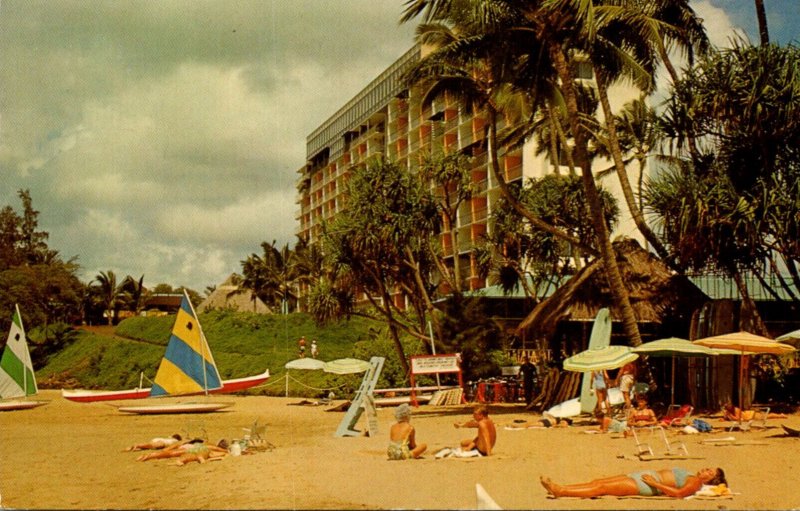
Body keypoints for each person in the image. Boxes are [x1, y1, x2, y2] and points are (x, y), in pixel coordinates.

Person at [540, 467, 727, 498]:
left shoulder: (695, 483)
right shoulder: (690, 474)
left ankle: (561, 491)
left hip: (646, 485)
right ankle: (561, 487)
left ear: (712, 480)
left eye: (709, 472)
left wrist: (655, 484)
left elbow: (678, 494)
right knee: (597, 481)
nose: (705, 469)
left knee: (602, 488)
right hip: (643, 478)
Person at [722, 403, 787, 422]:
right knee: (767, 416)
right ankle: (780, 415)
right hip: (750, 416)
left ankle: (781, 415)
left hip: (751, 415)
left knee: (768, 416)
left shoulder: (736, 410)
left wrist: (730, 415)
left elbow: (737, 419)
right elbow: (727, 418)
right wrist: (725, 417)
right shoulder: (729, 411)